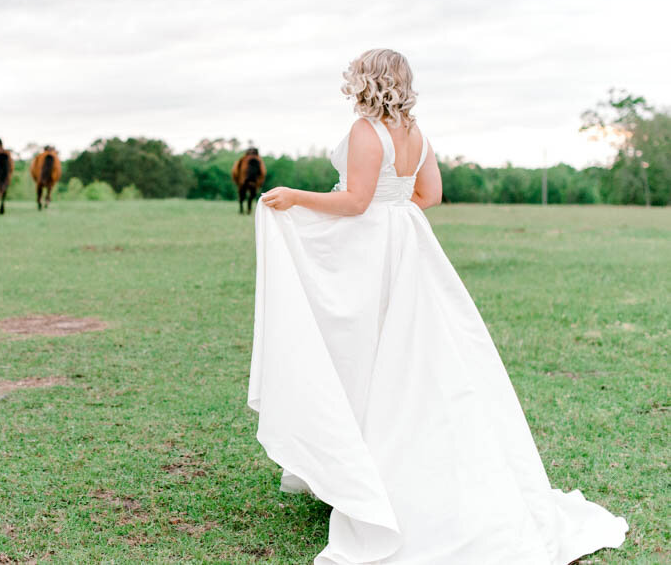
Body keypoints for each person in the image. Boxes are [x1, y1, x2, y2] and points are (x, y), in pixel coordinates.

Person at [250, 49, 627, 564]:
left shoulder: (366, 130)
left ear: (368, 80)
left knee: (368, 351)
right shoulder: (417, 133)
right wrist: (394, 208)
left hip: (371, 250)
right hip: (408, 243)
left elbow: (357, 202)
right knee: (416, 356)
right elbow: (429, 195)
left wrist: (297, 196)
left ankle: (381, 476)